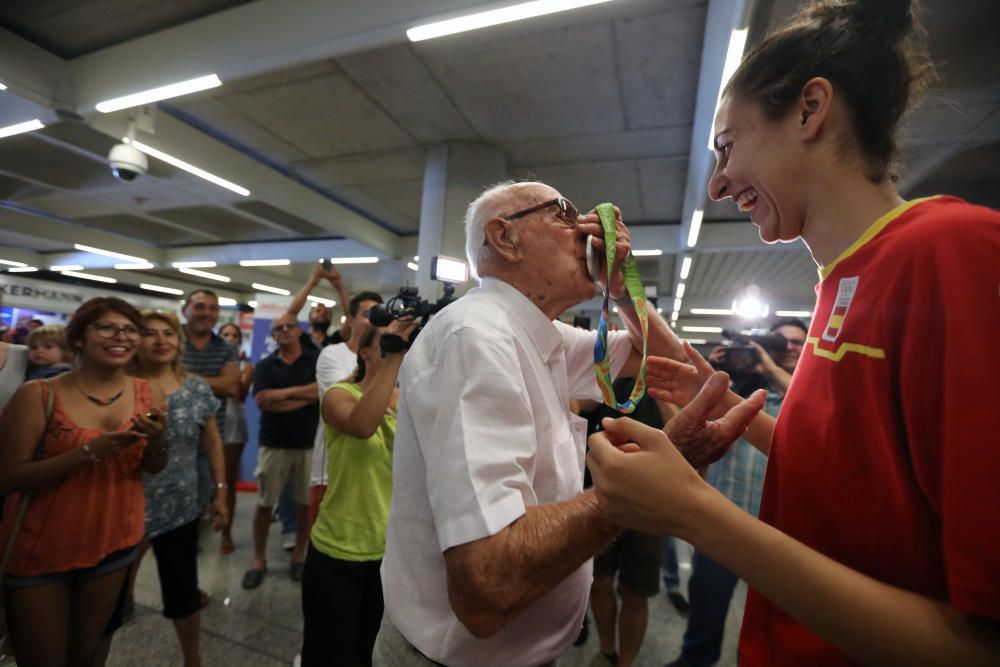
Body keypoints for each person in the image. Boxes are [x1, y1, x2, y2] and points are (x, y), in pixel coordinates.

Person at [586, 1, 1000, 664]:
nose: (719, 184)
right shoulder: (843, 282)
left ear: (810, 110)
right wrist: (733, 411)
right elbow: (859, 487)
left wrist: (693, 512)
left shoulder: (951, 252)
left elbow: (980, 642)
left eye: (727, 146)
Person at [374, 180, 687, 666]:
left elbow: (665, 360)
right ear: (505, 238)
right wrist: (626, 498)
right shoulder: (477, 335)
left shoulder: (540, 333)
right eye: (564, 213)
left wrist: (623, 288)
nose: (587, 229)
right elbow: (489, 583)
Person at [0, 297, 167, 667]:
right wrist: (87, 453)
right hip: (40, 553)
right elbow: (7, 477)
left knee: (89, 656)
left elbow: (153, 467)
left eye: (129, 329)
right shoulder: (39, 395)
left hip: (114, 543)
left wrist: (157, 441)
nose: (120, 336)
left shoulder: (148, 393)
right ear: (78, 338)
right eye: (107, 327)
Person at [666, 320, 805, 667]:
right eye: (780, 342)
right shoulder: (740, 390)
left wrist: (771, 369)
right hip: (722, 522)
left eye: (796, 342)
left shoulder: (806, 393)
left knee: (769, 633)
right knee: (706, 611)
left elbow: (811, 429)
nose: (789, 348)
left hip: (781, 534)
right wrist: (717, 376)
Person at [301, 320, 416, 666]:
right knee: (330, 654)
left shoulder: (410, 400)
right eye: (385, 341)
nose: (395, 346)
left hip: (390, 555)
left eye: (400, 343)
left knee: (372, 653)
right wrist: (394, 360)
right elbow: (363, 425)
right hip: (339, 551)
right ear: (363, 351)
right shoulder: (340, 394)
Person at [131, 309, 230, 667]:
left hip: (180, 504)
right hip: (125, 502)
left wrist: (220, 492)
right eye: (150, 333)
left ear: (179, 342)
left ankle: (192, 660)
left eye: (168, 333)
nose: (160, 340)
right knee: (111, 593)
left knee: (182, 590)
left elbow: (213, 443)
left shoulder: (196, 389)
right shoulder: (122, 386)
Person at [578, 378, 680, 667]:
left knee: (635, 593)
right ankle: (607, 650)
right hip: (596, 495)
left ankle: (626, 662)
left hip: (649, 502)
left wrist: (657, 384)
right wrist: (600, 369)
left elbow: (683, 432)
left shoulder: (666, 377)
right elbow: (576, 406)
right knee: (599, 582)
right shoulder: (604, 368)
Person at [242, 313, 319, 589]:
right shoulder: (264, 366)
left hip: (307, 444)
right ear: (273, 335)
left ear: (299, 331)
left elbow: (320, 392)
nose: (284, 331)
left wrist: (282, 394)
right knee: (264, 504)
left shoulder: (314, 360)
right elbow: (264, 403)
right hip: (273, 444)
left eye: (289, 327)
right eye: (278, 329)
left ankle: (300, 554)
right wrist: (303, 397)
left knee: (304, 505)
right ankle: (258, 559)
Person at [309, 290, 383, 524]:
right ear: (350, 321)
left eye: (379, 314)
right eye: (367, 314)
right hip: (333, 472)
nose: (374, 319)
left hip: (376, 468)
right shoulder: (332, 354)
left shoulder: (388, 358)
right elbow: (352, 403)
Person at [180, 289, 240, 525]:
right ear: (185, 310)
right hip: (169, 444)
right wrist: (214, 382)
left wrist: (182, 379)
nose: (207, 313)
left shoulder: (226, 348)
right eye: (200, 307)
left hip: (209, 443)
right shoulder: (171, 341)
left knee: (199, 510)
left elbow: (231, 386)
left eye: (213, 308)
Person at [217, 322, 253, 555]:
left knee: (228, 481)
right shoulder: (210, 362)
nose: (230, 338)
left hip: (233, 425)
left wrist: (223, 379)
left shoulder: (247, 367)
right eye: (225, 334)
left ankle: (226, 532)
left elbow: (237, 393)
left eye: (235, 335)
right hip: (209, 422)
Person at [286, 262, 353, 352]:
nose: (323, 313)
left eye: (327, 313)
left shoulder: (336, 340)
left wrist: (339, 286)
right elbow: (291, 315)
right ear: (309, 319)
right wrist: (312, 282)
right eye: (318, 311)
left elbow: (351, 317)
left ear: (331, 321)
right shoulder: (301, 339)